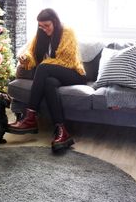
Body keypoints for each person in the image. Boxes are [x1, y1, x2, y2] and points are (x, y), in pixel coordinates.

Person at [7, 8, 87, 152]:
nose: (43, 29)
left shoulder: (67, 32)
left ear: (55, 22)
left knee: (43, 68)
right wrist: (26, 58)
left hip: (73, 73)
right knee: (49, 83)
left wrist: (46, 63)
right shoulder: (41, 34)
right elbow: (31, 53)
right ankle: (62, 131)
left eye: (46, 25)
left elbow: (67, 60)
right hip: (54, 74)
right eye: (41, 26)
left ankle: (30, 117)